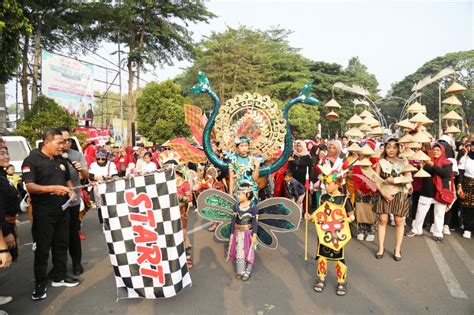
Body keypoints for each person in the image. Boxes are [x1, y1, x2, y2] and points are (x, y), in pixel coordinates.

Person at [22, 128, 80, 301]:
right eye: (59, 142)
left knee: (61, 244)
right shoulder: (32, 160)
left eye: (64, 142)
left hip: (63, 210)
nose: (63, 146)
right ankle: (40, 284)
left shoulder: (60, 159)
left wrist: (71, 191)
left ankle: (59, 276)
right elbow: (30, 186)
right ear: (47, 142)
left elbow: (67, 178)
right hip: (43, 213)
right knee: (42, 249)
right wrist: (52, 189)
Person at [305, 169, 354, 296]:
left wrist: (342, 222)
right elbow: (318, 215)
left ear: (337, 183)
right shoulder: (323, 197)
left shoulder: (344, 199)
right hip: (324, 233)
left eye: (328, 183)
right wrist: (310, 217)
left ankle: (341, 282)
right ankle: (321, 279)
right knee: (322, 257)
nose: (325, 186)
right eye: (324, 183)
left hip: (337, 234)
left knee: (339, 258)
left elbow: (352, 217)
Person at [373, 138, 412, 261]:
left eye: (394, 147)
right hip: (383, 194)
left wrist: (395, 180)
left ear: (398, 148)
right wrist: (383, 192)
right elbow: (376, 179)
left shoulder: (404, 161)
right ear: (385, 148)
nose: (391, 150)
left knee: (399, 221)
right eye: (388, 147)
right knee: (382, 220)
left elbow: (408, 178)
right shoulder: (381, 162)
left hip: (399, 194)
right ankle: (380, 248)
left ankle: (397, 249)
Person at [407, 144, 453, 241]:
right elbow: (420, 175)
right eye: (434, 150)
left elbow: (445, 174)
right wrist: (421, 167)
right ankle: (416, 229)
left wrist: (432, 164)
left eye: (438, 150)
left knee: (439, 214)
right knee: (420, 212)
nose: (436, 152)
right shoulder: (426, 161)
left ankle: (438, 234)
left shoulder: (447, 163)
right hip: (426, 192)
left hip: (440, 193)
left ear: (442, 152)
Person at [60, 128, 88, 276]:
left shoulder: (76, 155)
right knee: (59, 236)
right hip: (56, 204)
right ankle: (59, 268)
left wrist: (81, 169)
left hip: (73, 203)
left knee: (73, 234)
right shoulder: (53, 156)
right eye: (63, 140)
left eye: (69, 140)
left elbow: (86, 176)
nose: (66, 143)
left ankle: (76, 263)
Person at [228, 182, 258, 281]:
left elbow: (255, 222)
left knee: (249, 251)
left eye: (240, 193)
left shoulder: (253, 207)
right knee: (239, 250)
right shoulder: (236, 206)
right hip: (238, 233)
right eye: (237, 193)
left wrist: (254, 235)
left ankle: (248, 270)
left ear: (247, 194)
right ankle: (240, 270)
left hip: (248, 233)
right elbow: (233, 221)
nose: (238, 195)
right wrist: (232, 233)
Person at [0, 138, 14, 308]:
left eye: (6, 151)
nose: (6, 156)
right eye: (1, 153)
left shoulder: (3, 174)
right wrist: (3, 246)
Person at [227, 137, 261, 205]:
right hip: (238, 191)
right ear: (237, 147)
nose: (244, 148)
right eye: (241, 146)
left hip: (251, 191)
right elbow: (231, 179)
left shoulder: (253, 159)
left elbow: (255, 179)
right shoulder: (233, 160)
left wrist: (257, 166)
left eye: (246, 145)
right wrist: (230, 195)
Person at [457, 141, 474, 239]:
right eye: (472, 145)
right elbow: (461, 173)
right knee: (467, 208)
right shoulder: (465, 158)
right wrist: (459, 185)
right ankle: (467, 229)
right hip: (467, 183)